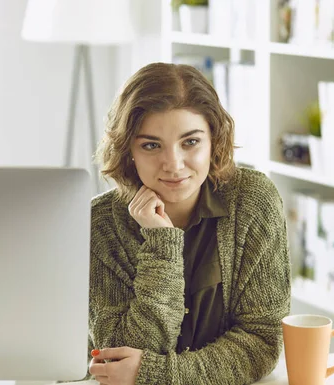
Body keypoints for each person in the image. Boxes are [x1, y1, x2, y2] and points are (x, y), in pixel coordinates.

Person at [87, 62, 291, 385]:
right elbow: (117, 360)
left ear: (214, 138)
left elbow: (261, 340)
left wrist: (159, 375)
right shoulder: (100, 225)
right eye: (151, 145)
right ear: (128, 151)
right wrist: (161, 247)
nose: (174, 164)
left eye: (190, 142)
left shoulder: (254, 202)